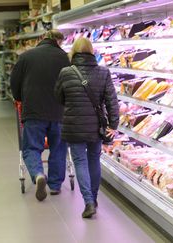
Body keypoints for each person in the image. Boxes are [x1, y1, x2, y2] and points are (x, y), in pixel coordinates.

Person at [55, 37, 119, 218]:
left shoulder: (65, 72)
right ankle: (94, 197)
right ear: (92, 52)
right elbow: (111, 100)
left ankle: (88, 201)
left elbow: (58, 97)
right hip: (96, 127)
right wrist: (113, 124)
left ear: (73, 52)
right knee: (94, 160)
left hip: (74, 126)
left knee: (80, 162)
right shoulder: (103, 72)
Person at [10, 30, 70, 202]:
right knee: (58, 148)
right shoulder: (65, 58)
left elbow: (14, 82)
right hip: (59, 111)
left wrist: (20, 98)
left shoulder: (26, 57)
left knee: (31, 148)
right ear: (59, 42)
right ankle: (55, 185)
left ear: (42, 39)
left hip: (34, 111)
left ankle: (38, 175)